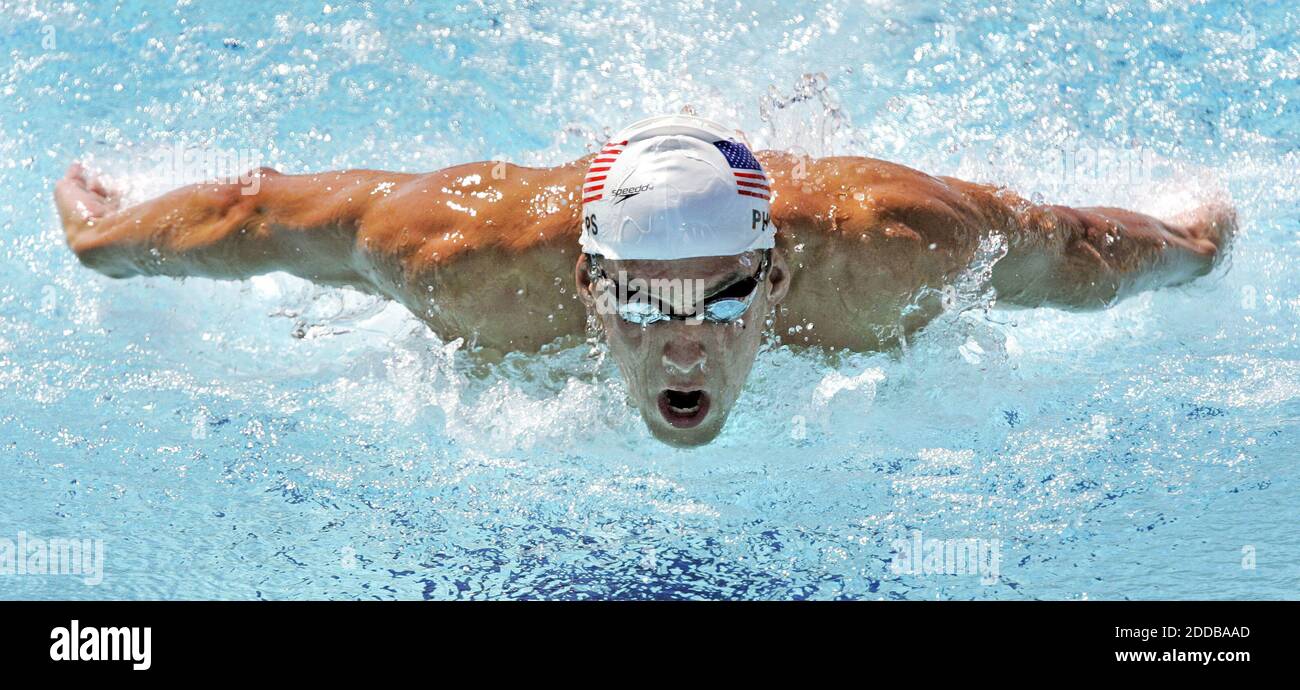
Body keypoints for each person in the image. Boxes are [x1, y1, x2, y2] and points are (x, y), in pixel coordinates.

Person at [54, 114, 1234, 447]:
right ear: (583, 275)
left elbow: (1071, 248)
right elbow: (260, 214)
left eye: (724, 299)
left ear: (776, 279)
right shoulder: (467, 262)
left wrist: (1191, 246)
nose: (685, 346)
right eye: (643, 301)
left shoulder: (885, 249)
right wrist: (104, 239)